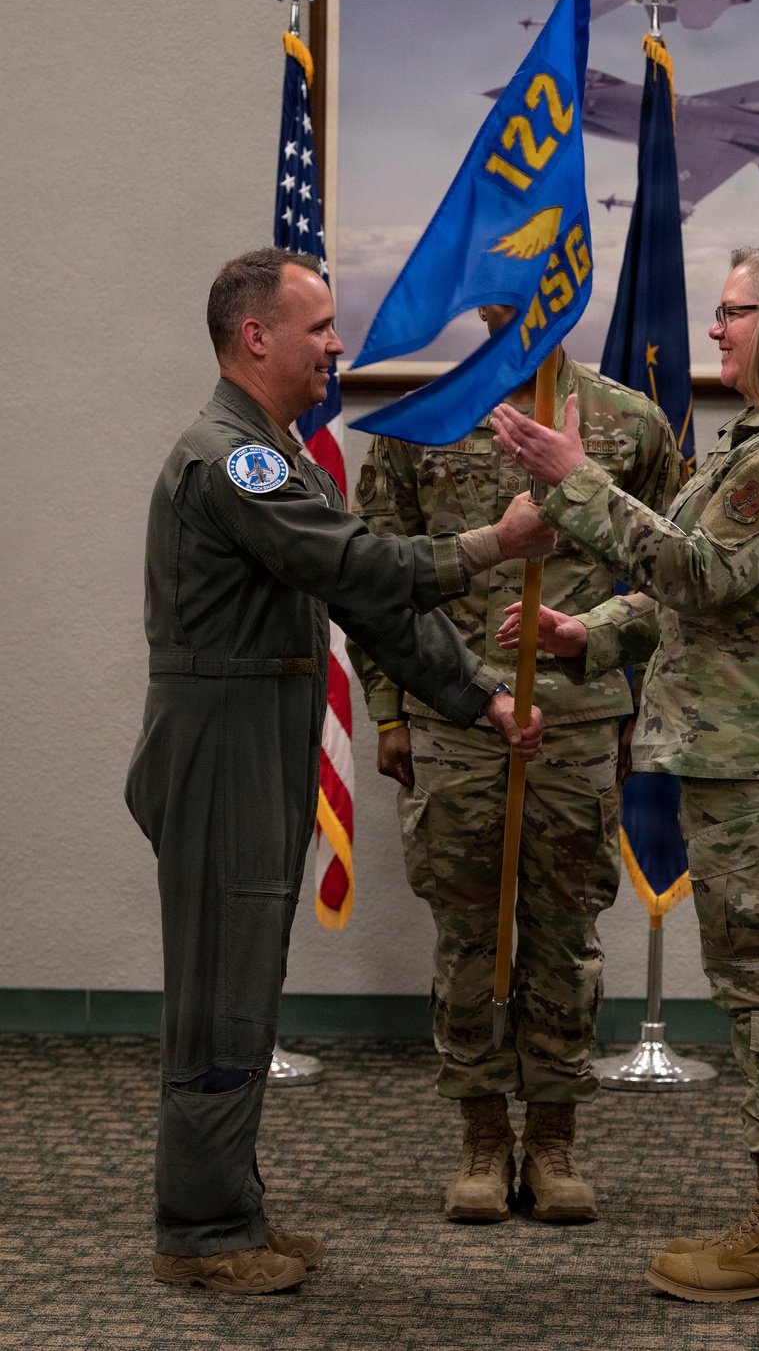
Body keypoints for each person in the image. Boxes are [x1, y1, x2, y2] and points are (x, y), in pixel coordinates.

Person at [125, 249, 550, 1295]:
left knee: (245, 978)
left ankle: (231, 1207)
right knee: (221, 989)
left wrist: (476, 696)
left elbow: (365, 607)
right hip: (222, 734)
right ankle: (202, 1228)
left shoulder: (281, 454)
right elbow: (364, 567)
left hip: (257, 726)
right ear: (254, 335)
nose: (338, 344)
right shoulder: (233, 459)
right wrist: (492, 543)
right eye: (318, 325)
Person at [492, 243, 759, 1303]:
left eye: (734, 310)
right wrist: (594, 628)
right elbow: (695, 585)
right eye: (714, 310)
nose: (714, 327)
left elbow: (701, 571)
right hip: (754, 750)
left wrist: (572, 483)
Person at [351, 305, 683, 1224]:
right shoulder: (420, 422)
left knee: (565, 935)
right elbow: (376, 581)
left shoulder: (630, 425)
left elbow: (672, 574)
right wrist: (387, 709)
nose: (514, 294)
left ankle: (556, 1140)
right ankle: (482, 1138)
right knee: (467, 936)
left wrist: (618, 675)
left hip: (577, 720)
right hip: (453, 718)